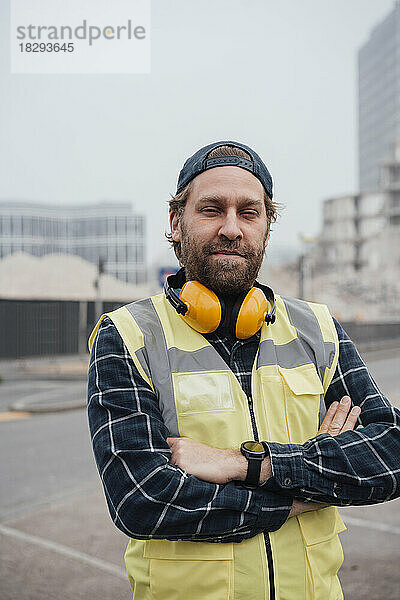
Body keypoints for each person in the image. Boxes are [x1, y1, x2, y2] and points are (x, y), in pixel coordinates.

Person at [87, 141, 400, 600]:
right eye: (212, 209)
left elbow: (390, 453)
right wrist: (309, 491)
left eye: (249, 212)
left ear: (268, 228)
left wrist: (246, 464)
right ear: (176, 223)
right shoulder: (128, 335)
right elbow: (143, 500)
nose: (231, 228)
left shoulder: (318, 329)